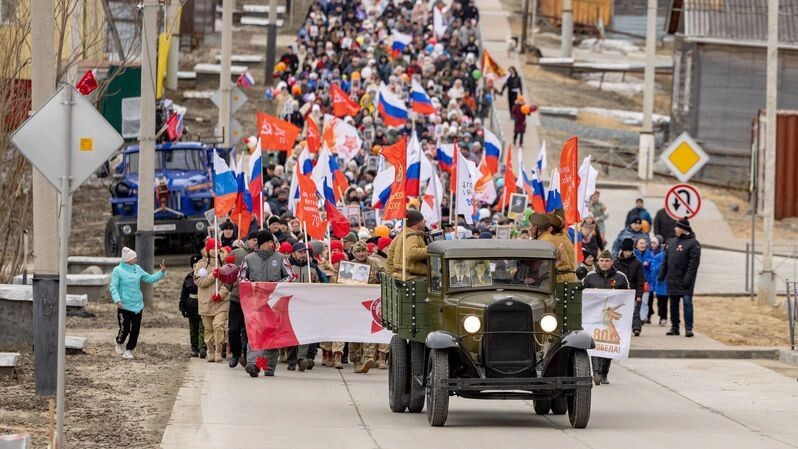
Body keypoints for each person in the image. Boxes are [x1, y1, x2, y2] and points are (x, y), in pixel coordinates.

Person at [242, 230, 291, 377]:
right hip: (255, 303)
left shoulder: (281, 258)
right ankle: (252, 364)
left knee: (272, 335)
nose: (273, 244)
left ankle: (269, 367)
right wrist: (252, 285)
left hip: (275, 304)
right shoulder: (249, 259)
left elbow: (290, 275)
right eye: (270, 241)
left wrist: (277, 285)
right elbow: (241, 278)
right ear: (264, 242)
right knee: (255, 333)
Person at [110, 247, 166, 360]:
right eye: (134, 257)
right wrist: (117, 300)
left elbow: (150, 279)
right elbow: (113, 286)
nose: (136, 259)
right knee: (125, 329)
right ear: (128, 259)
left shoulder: (137, 269)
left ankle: (129, 349)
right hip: (124, 305)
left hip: (137, 305)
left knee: (135, 330)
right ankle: (118, 342)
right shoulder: (118, 270)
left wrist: (161, 272)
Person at [582, 250, 629, 385]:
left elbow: (627, 297)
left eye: (607, 261)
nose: (604, 263)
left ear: (611, 262)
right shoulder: (590, 277)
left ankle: (604, 373)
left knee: (607, 344)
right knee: (595, 343)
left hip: (610, 319)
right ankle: (596, 372)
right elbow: (583, 295)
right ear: (598, 261)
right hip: (593, 317)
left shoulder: (620, 277)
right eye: (602, 260)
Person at [659, 219, 701, 337]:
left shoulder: (693, 243)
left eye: (676, 227)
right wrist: (661, 275)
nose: (674, 229)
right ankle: (675, 327)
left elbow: (693, 264)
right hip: (672, 279)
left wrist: (688, 278)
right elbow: (665, 261)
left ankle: (688, 328)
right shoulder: (671, 242)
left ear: (682, 228)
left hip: (686, 280)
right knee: (673, 304)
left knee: (687, 303)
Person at [349, 241, 385, 373]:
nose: (361, 253)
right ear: (354, 253)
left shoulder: (376, 264)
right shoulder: (350, 266)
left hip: (370, 304)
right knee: (355, 332)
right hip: (354, 304)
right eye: (358, 251)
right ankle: (357, 360)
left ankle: (369, 357)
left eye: (363, 251)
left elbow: (384, 278)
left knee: (368, 330)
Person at [194, 239, 230, 363]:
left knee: (218, 325)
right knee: (209, 329)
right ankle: (210, 350)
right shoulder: (200, 264)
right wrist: (212, 276)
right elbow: (199, 282)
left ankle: (218, 350)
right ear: (207, 250)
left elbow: (228, 282)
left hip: (221, 302)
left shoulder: (225, 264)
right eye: (213, 249)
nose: (215, 251)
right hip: (206, 302)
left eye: (218, 249)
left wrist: (220, 294)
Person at [227, 231, 258, 369]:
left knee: (248, 330)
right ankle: (235, 353)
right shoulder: (237, 253)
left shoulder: (261, 257)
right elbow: (226, 270)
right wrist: (231, 286)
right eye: (253, 240)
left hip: (253, 299)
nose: (255, 243)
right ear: (248, 240)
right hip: (236, 297)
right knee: (233, 329)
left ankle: (247, 356)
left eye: (258, 241)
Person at [614, 239, 645, 336]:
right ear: (622, 251)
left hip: (633, 290)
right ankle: (622, 329)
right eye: (626, 251)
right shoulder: (616, 263)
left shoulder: (637, 264)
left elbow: (640, 281)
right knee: (621, 311)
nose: (627, 253)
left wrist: (639, 294)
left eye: (629, 251)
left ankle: (636, 328)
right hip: (620, 291)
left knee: (635, 311)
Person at [537, 212, 578, 283]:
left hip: (559, 281)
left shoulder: (551, 239)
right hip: (567, 279)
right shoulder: (562, 235)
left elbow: (565, 265)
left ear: (550, 229)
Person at [386, 210, 428, 279]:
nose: (425, 221)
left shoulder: (402, 234)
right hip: (413, 276)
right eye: (422, 219)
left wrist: (392, 276)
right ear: (416, 223)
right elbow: (411, 252)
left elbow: (390, 257)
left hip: (404, 276)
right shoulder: (411, 235)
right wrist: (429, 249)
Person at [179, 254, 206, 358]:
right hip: (191, 305)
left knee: (202, 328)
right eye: (194, 265)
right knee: (193, 329)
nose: (196, 267)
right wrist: (182, 308)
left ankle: (202, 348)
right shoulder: (188, 278)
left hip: (202, 304)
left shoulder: (205, 277)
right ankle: (194, 348)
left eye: (198, 265)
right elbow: (183, 294)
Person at [646, 236, 669, 326]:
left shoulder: (673, 256)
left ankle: (663, 317)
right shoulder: (659, 256)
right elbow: (653, 269)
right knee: (657, 299)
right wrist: (662, 265)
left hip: (668, 282)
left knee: (664, 301)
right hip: (658, 281)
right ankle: (650, 315)